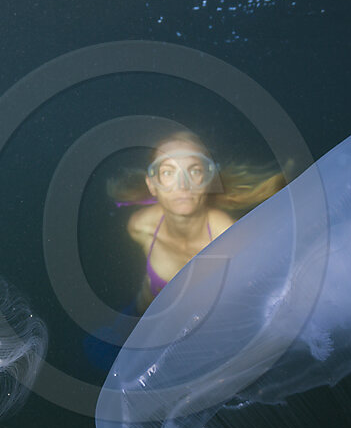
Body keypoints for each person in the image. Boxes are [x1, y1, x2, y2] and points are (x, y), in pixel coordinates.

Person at [110, 131, 287, 312]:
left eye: (194, 171)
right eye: (168, 172)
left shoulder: (233, 240)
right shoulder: (140, 227)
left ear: (209, 180)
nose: (183, 185)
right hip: (142, 319)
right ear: (152, 185)